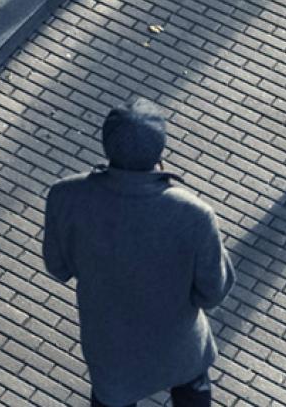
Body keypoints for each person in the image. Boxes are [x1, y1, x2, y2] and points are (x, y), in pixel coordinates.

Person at [43, 100, 235, 407]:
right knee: (192, 390)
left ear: (108, 145)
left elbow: (58, 267)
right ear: (160, 150)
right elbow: (213, 292)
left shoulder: (66, 195)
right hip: (179, 344)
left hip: (111, 346)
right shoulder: (194, 214)